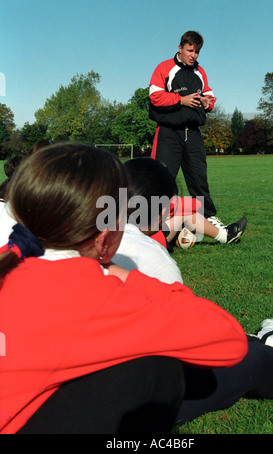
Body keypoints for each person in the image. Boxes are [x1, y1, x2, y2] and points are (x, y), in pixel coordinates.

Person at [0, 142, 248, 434]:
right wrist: (122, 274)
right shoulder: (91, 294)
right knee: (156, 370)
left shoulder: (11, 259)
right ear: (105, 237)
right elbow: (229, 340)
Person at [149, 30, 222, 226]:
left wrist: (208, 102)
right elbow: (155, 96)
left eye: (197, 52)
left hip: (193, 133)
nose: (193, 55)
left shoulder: (200, 71)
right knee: (163, 180)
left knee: (199, 179)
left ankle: (208, 217)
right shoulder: (164, 68)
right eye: (190, 50)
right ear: (180, 48)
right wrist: (181, 100)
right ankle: (154, 222)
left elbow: (210, 96)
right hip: (168, 133)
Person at [123, 158, 247, 251]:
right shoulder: (166, 199)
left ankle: (182, 233)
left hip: (126, 238)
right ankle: (225, 235)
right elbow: (196, 205)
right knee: (186, 215)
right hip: (151, 241)